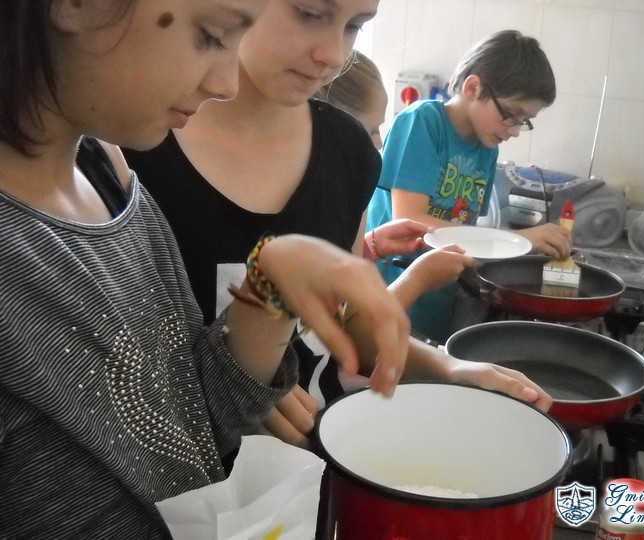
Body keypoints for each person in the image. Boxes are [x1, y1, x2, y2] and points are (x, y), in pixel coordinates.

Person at [0, 1, 415, 537]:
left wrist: (269, 290)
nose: (226, 83)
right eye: (212, 35)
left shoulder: (106, 173)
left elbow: (191, 424)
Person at [124, 5, 552, 452]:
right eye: (310, 13)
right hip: (187, 472)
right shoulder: (136, 147)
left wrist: (449, 368)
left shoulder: (348, 151)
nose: (333, 55)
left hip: (313, 457)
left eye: (354, 26)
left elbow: (347, 321)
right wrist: (241, 381)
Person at [366, 29, 573, 342]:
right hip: (390, 292)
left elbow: (465, 230)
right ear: (473, 87)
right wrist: (518, 241)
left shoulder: (487, 149)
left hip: (437, 302)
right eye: (512, 115)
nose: (515, 131)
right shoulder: (423, 122)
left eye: (524, 121)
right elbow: (409, 221)